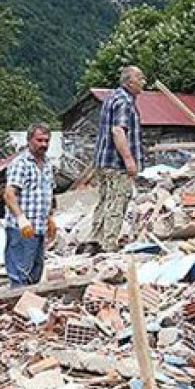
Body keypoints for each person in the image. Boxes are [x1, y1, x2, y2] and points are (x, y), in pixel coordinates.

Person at [87, 65, 146, 252]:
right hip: (116, 163)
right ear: (129, 82)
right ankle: (108, 245)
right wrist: (129, 160)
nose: (143, 82)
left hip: (103, 161)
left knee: (104, 200)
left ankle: (94, 241)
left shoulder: (112, 98)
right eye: (140, 78)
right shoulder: (124, 102)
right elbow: (118, 130)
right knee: (117, 201)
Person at [3, 122, 56, 286]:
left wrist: (50, 218)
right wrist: (21, 218)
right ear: (29, 140)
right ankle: (17, 307)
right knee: (20, 273)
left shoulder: (47, 164)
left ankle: (28, 305)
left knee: (35, 273)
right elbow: (9, 194)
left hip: (39, 228)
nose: (43, 145)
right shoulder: (21, 164)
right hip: (23, 229)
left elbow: (48, 193)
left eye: (46, 141)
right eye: (39, 140)